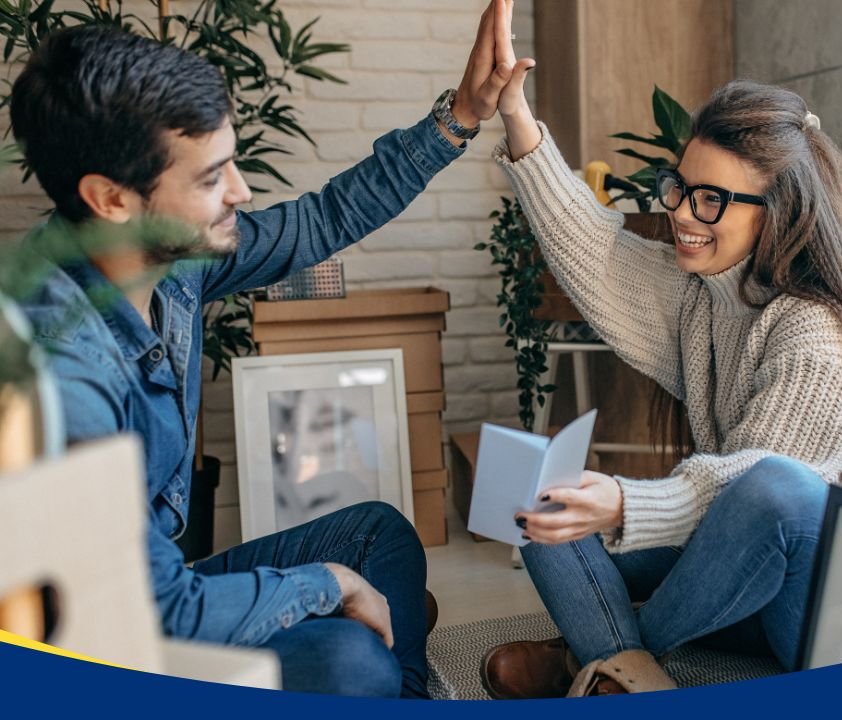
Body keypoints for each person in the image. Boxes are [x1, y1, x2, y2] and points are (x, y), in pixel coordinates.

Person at [11, 0, 518, 698]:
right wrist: (324, 585)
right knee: (350, 660)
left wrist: (460, 115)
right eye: (210, 179)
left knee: (380, 535)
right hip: (105, 645)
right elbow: (150, 610)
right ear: (112, 198)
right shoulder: (65, 374)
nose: (241, 192)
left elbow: (319, 222)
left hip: (160, 585)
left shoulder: (155, 255)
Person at [480, 40, 842, 697]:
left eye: (710, 199)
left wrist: (626, 502)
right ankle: (625, 673)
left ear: (781, 213)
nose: (680, 212)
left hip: (805, 609)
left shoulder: (816, 333)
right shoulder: (707, 295)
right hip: (726, 584)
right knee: (535, 498)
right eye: (680, 188)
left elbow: (760, 494)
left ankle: (595, 660)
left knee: (778, 488)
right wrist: (515, 114)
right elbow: (594, 247)